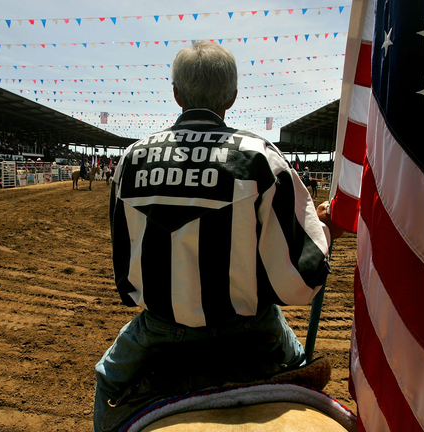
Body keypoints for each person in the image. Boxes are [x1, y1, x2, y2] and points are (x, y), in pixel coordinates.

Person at [95, 40, 344, 432]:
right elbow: (300, 284)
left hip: (160, 331)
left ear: (176, 93)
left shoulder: (130, 160)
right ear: (232, 95)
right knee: (308, 373)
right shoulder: (262, 157)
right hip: (253, 331)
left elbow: (127, 282)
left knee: (107, 383)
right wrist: (329, 232)